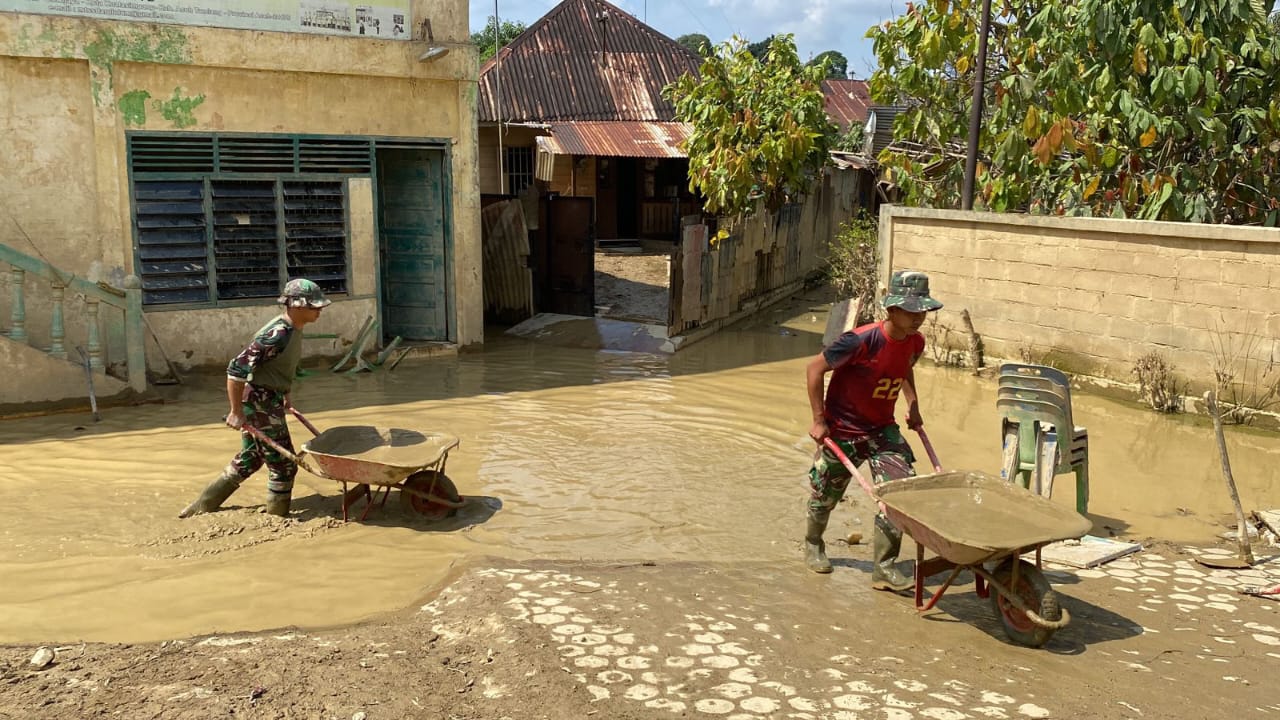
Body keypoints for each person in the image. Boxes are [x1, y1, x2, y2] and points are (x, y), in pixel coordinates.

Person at [803, 270, 943, 590]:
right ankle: (813, 543)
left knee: (899, 494)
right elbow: (814, 369)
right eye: (912, 310)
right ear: (891, 309)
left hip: (882, 429)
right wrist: (818, 419)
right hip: (842, 429)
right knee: (824, 493)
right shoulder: (861, 340)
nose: (919, 317)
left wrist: (913, 402)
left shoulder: (915, 342)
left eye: (923, 310)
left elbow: (903, 368)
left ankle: (884, 566)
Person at [179, 279, 331, 519]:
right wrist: (236, 412)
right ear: (297, 305)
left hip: (270, 397)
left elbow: (278, 367)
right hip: (260, 401)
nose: (319, 310)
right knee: (284, 465)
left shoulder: (294, 329)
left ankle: (202, 507)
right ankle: (277, 519)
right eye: (315, 306)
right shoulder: (277, 334)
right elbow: (235, 369)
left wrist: (286, 394)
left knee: (250, 458)